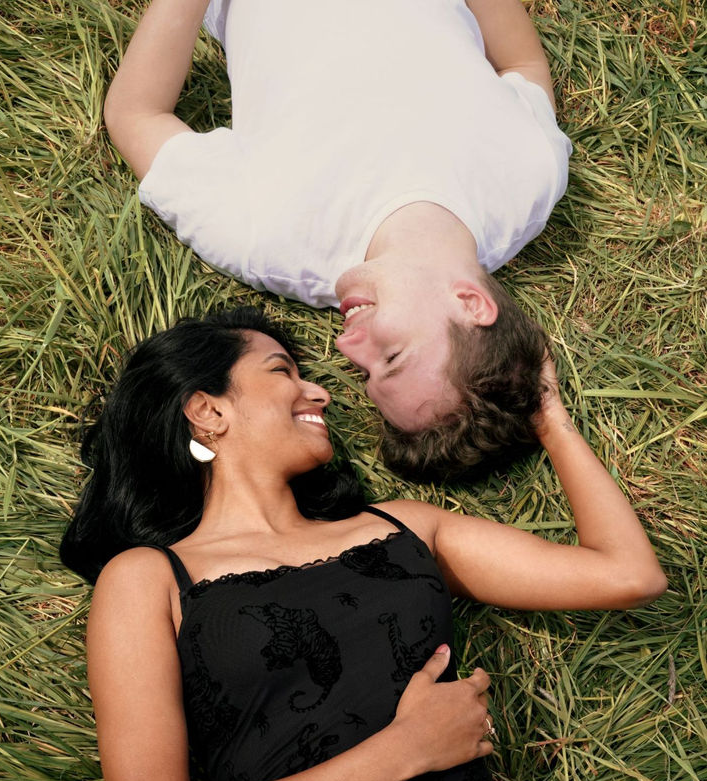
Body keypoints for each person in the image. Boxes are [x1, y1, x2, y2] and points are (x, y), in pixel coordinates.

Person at [60, 306, 703, 781]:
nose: (319, 391)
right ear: (207, 410)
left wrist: (544, 411)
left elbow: (627, 573)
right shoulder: (147, 580)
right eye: (283, 371)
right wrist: (407, 747)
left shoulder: (402, 527)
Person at [103, 0, 573, 480]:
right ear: (471, 304)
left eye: (364, 373)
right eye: (391, 356)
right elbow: (522, 64)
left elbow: (135, 116)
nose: (348, 347)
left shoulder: (274, 243)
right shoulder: (530, 177)